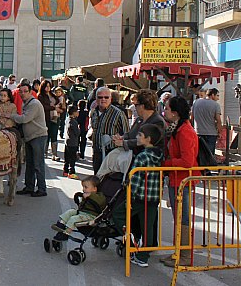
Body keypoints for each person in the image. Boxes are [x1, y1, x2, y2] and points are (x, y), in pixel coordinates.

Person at [112, 124, 164, 268]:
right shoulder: (159, 156)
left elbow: (135, 179)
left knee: (118, 214)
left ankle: (129, 240)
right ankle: (143, 257)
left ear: (148, 139)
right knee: (148, 227)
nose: (137, 137)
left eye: (140, 135)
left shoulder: (142, 156)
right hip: (153, 197)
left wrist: (130, 195)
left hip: (139, 197)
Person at [161, 95, 199, 267]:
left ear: (175, 113)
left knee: (182, 218)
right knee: (178, 217)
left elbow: (187, 161)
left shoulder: (185, 131)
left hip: (182, 180)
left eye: (167, 109)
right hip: (176, 179)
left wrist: (166, 164)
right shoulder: (176, 129)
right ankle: (179, 252)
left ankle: (185, 256)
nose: (164, 111)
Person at [12, 83, 49, 197]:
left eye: (25, 91)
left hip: (37, 136)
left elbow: (24, 118)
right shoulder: (27, 103)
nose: (22, 94)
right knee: (30, 164)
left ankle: (42, 189)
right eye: (20, 92)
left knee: (38, 164)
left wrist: (11, 116)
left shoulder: (34, 104)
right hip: (30, 137)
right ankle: (29, 187)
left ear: (30, 92)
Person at [51, 175, 106, 240]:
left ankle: (66, 233)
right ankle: (61, 224)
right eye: (83, 187)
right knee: (70, 212)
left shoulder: (99, 196)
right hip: (83, 212)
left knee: (73, 219)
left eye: (86, 187)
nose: (83, 189)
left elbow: (101, 201)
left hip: (91, 216)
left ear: (94, 189)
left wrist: (91, 195)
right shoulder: (86, 195)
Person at [90, 87, 130, 174]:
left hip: (112, 154)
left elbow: (127, 134)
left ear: (110, 98)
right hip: (97, 153)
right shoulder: (94, 113)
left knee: (107, 183)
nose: (103, 99)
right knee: (97, 180)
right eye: (100, 97)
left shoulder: (118, 113)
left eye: (106, 97)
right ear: (96, 99)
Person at [191, 88, 222, 154]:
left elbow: (191, 117)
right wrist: (219, 132)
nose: (218, 98)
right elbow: (218, 120)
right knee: (209, 155)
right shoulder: (216, 105)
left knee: (199, 154)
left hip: (198, 132)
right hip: (211, 133)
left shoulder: (196, 102)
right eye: (217, 95)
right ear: (212, 95)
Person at [38, 80, 63, 161]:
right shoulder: (41, 96)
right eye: (46, 86)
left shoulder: (52, 94)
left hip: (55, 117)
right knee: (46, 135)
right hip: (46, 118)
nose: (48, 88)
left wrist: (59, 107)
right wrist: (53, 107)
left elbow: (59, 101)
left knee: (54, 135)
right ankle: (44, 152)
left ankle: (54, 154)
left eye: (49, 86)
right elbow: (43, 107)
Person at [63, 105, 80, 179]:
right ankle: (71, 172)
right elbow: (77, 132)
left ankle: (65, 171)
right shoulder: (74, 122)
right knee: (72, 158)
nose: (78, 113)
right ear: (73, 113)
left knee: (67, 158)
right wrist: (79, 129)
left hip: (67, 141)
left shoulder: (67, 119)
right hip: (73, 142)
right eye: (77, 111)